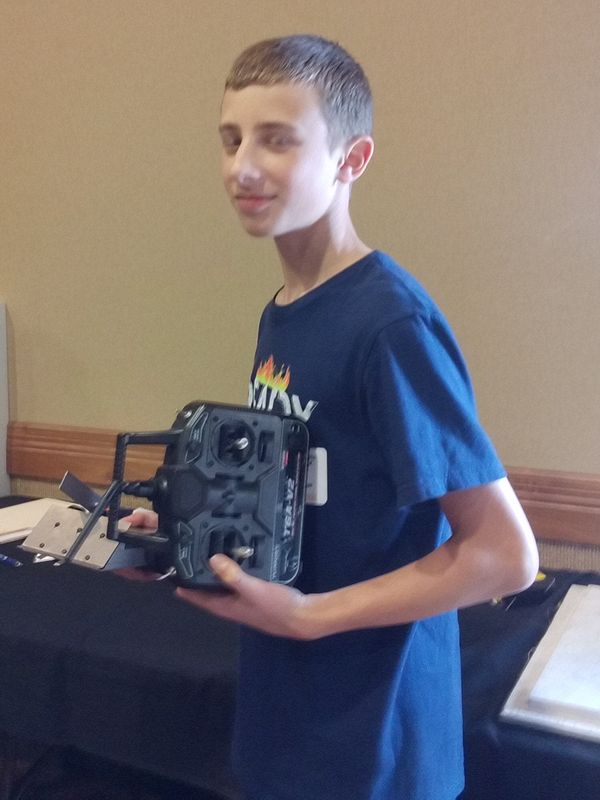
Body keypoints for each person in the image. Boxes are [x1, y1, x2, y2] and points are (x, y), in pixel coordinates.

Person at [126, 35, 539, 800]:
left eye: (277, 140)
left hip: (375, 745)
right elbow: (310, 487)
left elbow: (503, 553)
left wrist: (310, 616)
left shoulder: (391, 325)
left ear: (352, 159)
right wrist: (191, 521)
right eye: (231, 139)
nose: (242, 167)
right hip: (289, 718)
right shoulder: (283, 311)